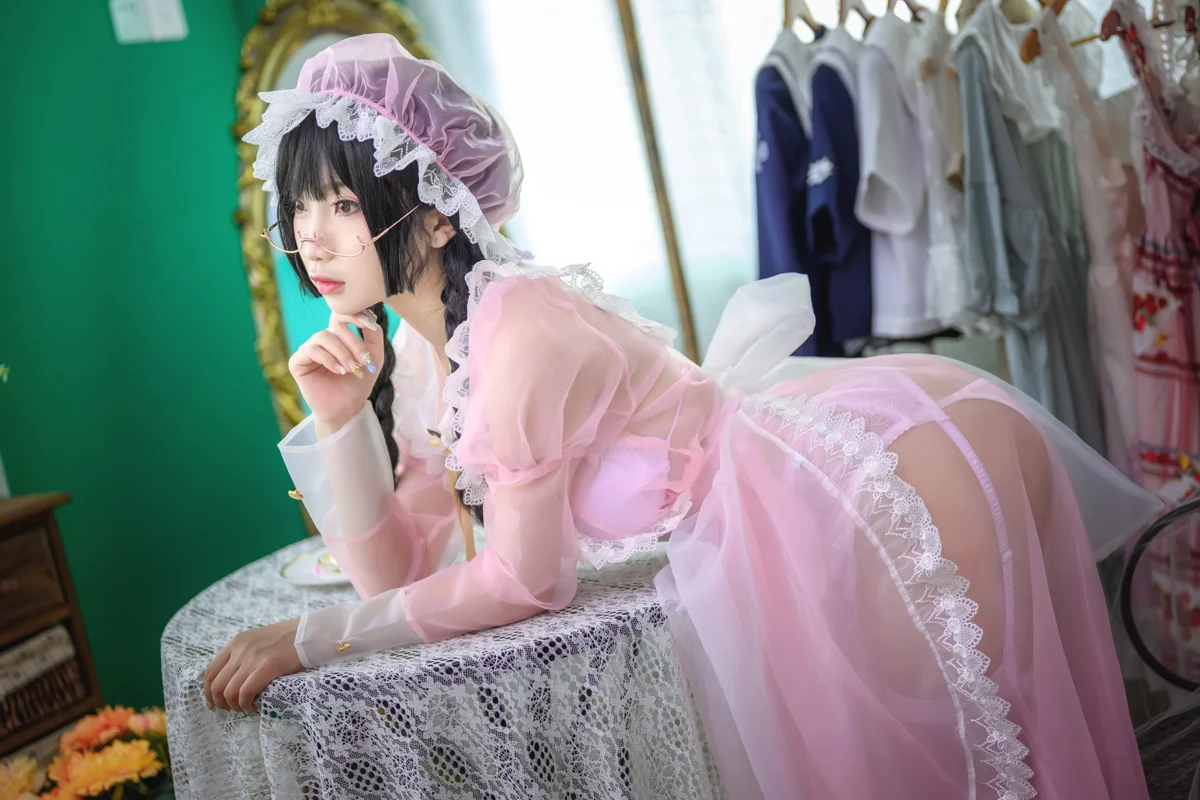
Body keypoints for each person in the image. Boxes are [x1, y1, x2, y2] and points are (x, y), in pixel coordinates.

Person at [202, 33, 1160, 799]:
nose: (313, 237)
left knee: (968, 764)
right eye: (299, 206)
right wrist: (340, 420)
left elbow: (526, 581)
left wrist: (310, 638)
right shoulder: (424, 352)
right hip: (754, 525)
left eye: (341, 201)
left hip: (846, 496)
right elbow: (404, 573)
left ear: (441, 209)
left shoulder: (514, 328)